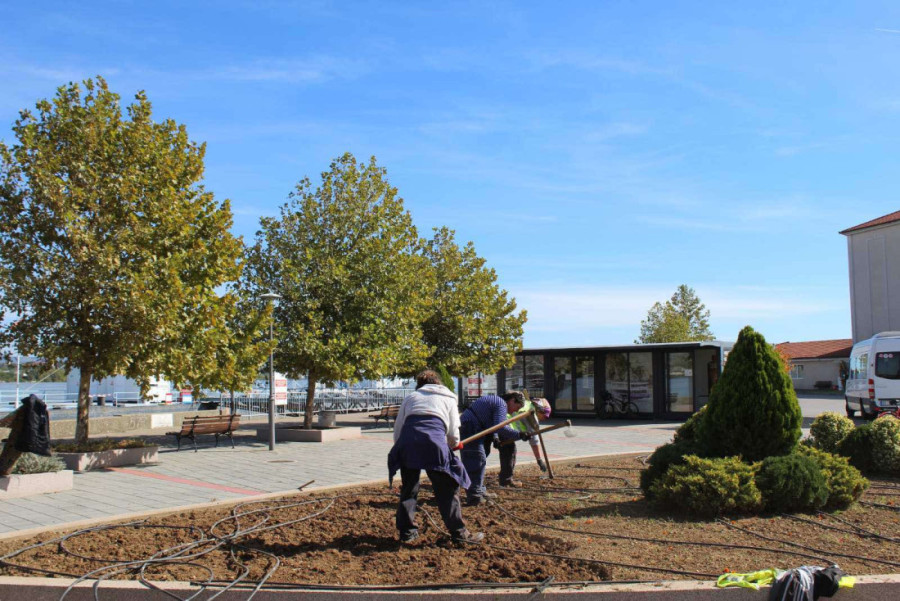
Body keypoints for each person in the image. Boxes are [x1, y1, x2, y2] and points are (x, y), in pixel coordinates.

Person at [387, 370, 484, 545]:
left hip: (408, 444)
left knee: (409, 489)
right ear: (438, 382)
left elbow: (398, 428)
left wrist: (401, 448)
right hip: (434, 445)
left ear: (420, 385)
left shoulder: (411, 397)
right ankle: (460, 534)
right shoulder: (449, 398)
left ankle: (407, 533)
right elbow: (454, 430)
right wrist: (454, 444)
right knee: (446, 489)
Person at [459, 392, 529, 506]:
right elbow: (500, 427)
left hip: (473, 426)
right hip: (470, 427)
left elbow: (493, 425)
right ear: (512, 400)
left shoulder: (497, 402)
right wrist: (519, 435)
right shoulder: (501, 404)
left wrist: (495, 437)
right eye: (518, 407)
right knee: (477, 459)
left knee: (481, 456)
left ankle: (479, 490)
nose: (515, 411)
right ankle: (475, 496)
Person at [497, 394, 551, 487]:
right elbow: (534, 440)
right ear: (540, 411)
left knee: (508, 452)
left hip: (503, 426)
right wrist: (539, 460)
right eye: (544, 417)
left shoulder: (528, 404)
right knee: (509, 452)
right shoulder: (531, 413)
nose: (544, 419)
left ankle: (505, 478)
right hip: (504, 427)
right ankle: (506, 480)